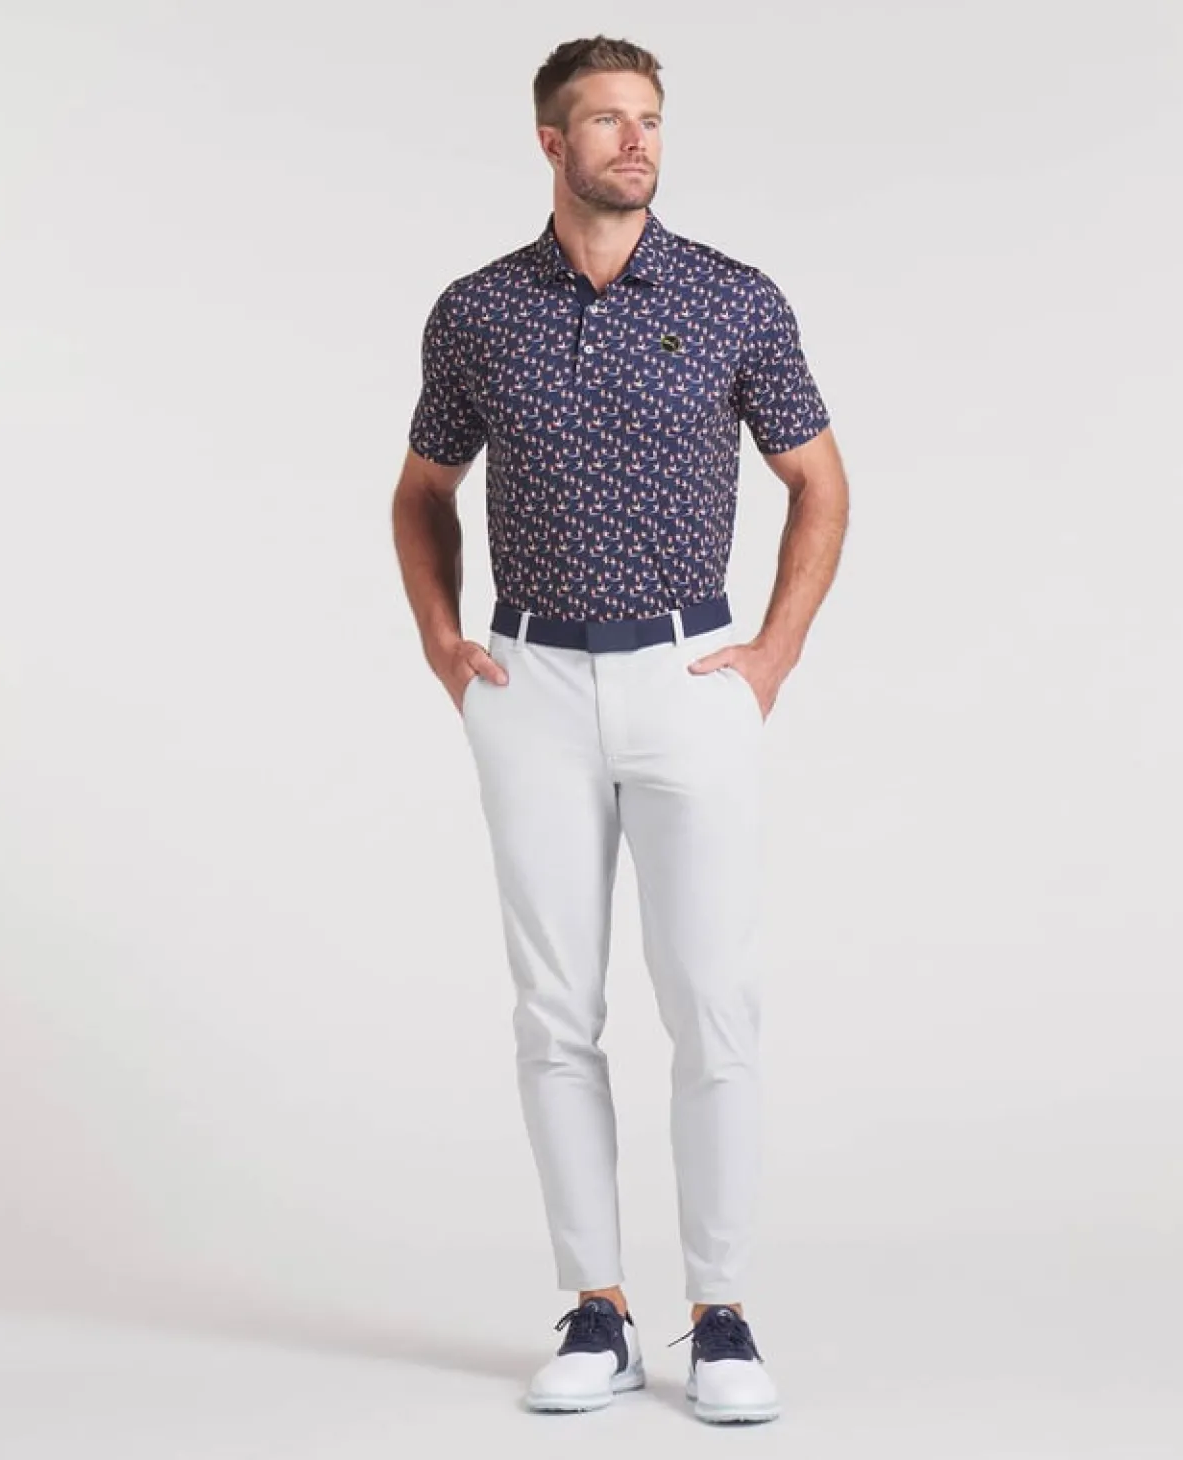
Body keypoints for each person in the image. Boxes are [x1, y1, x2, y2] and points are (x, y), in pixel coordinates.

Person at [391, 35, 849, 1425]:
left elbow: (820, 484)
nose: (637, 140)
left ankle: (722, 1314)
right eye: (607, 120)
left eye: (649, 118)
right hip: (530, 683)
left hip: (686, 677)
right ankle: (597, 1306)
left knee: (711, 1002)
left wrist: (770, 658)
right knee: (554, 1010)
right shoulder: (479, 312)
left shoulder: (731, 299)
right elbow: (422, 491)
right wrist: (445, 644)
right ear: (552, 141)